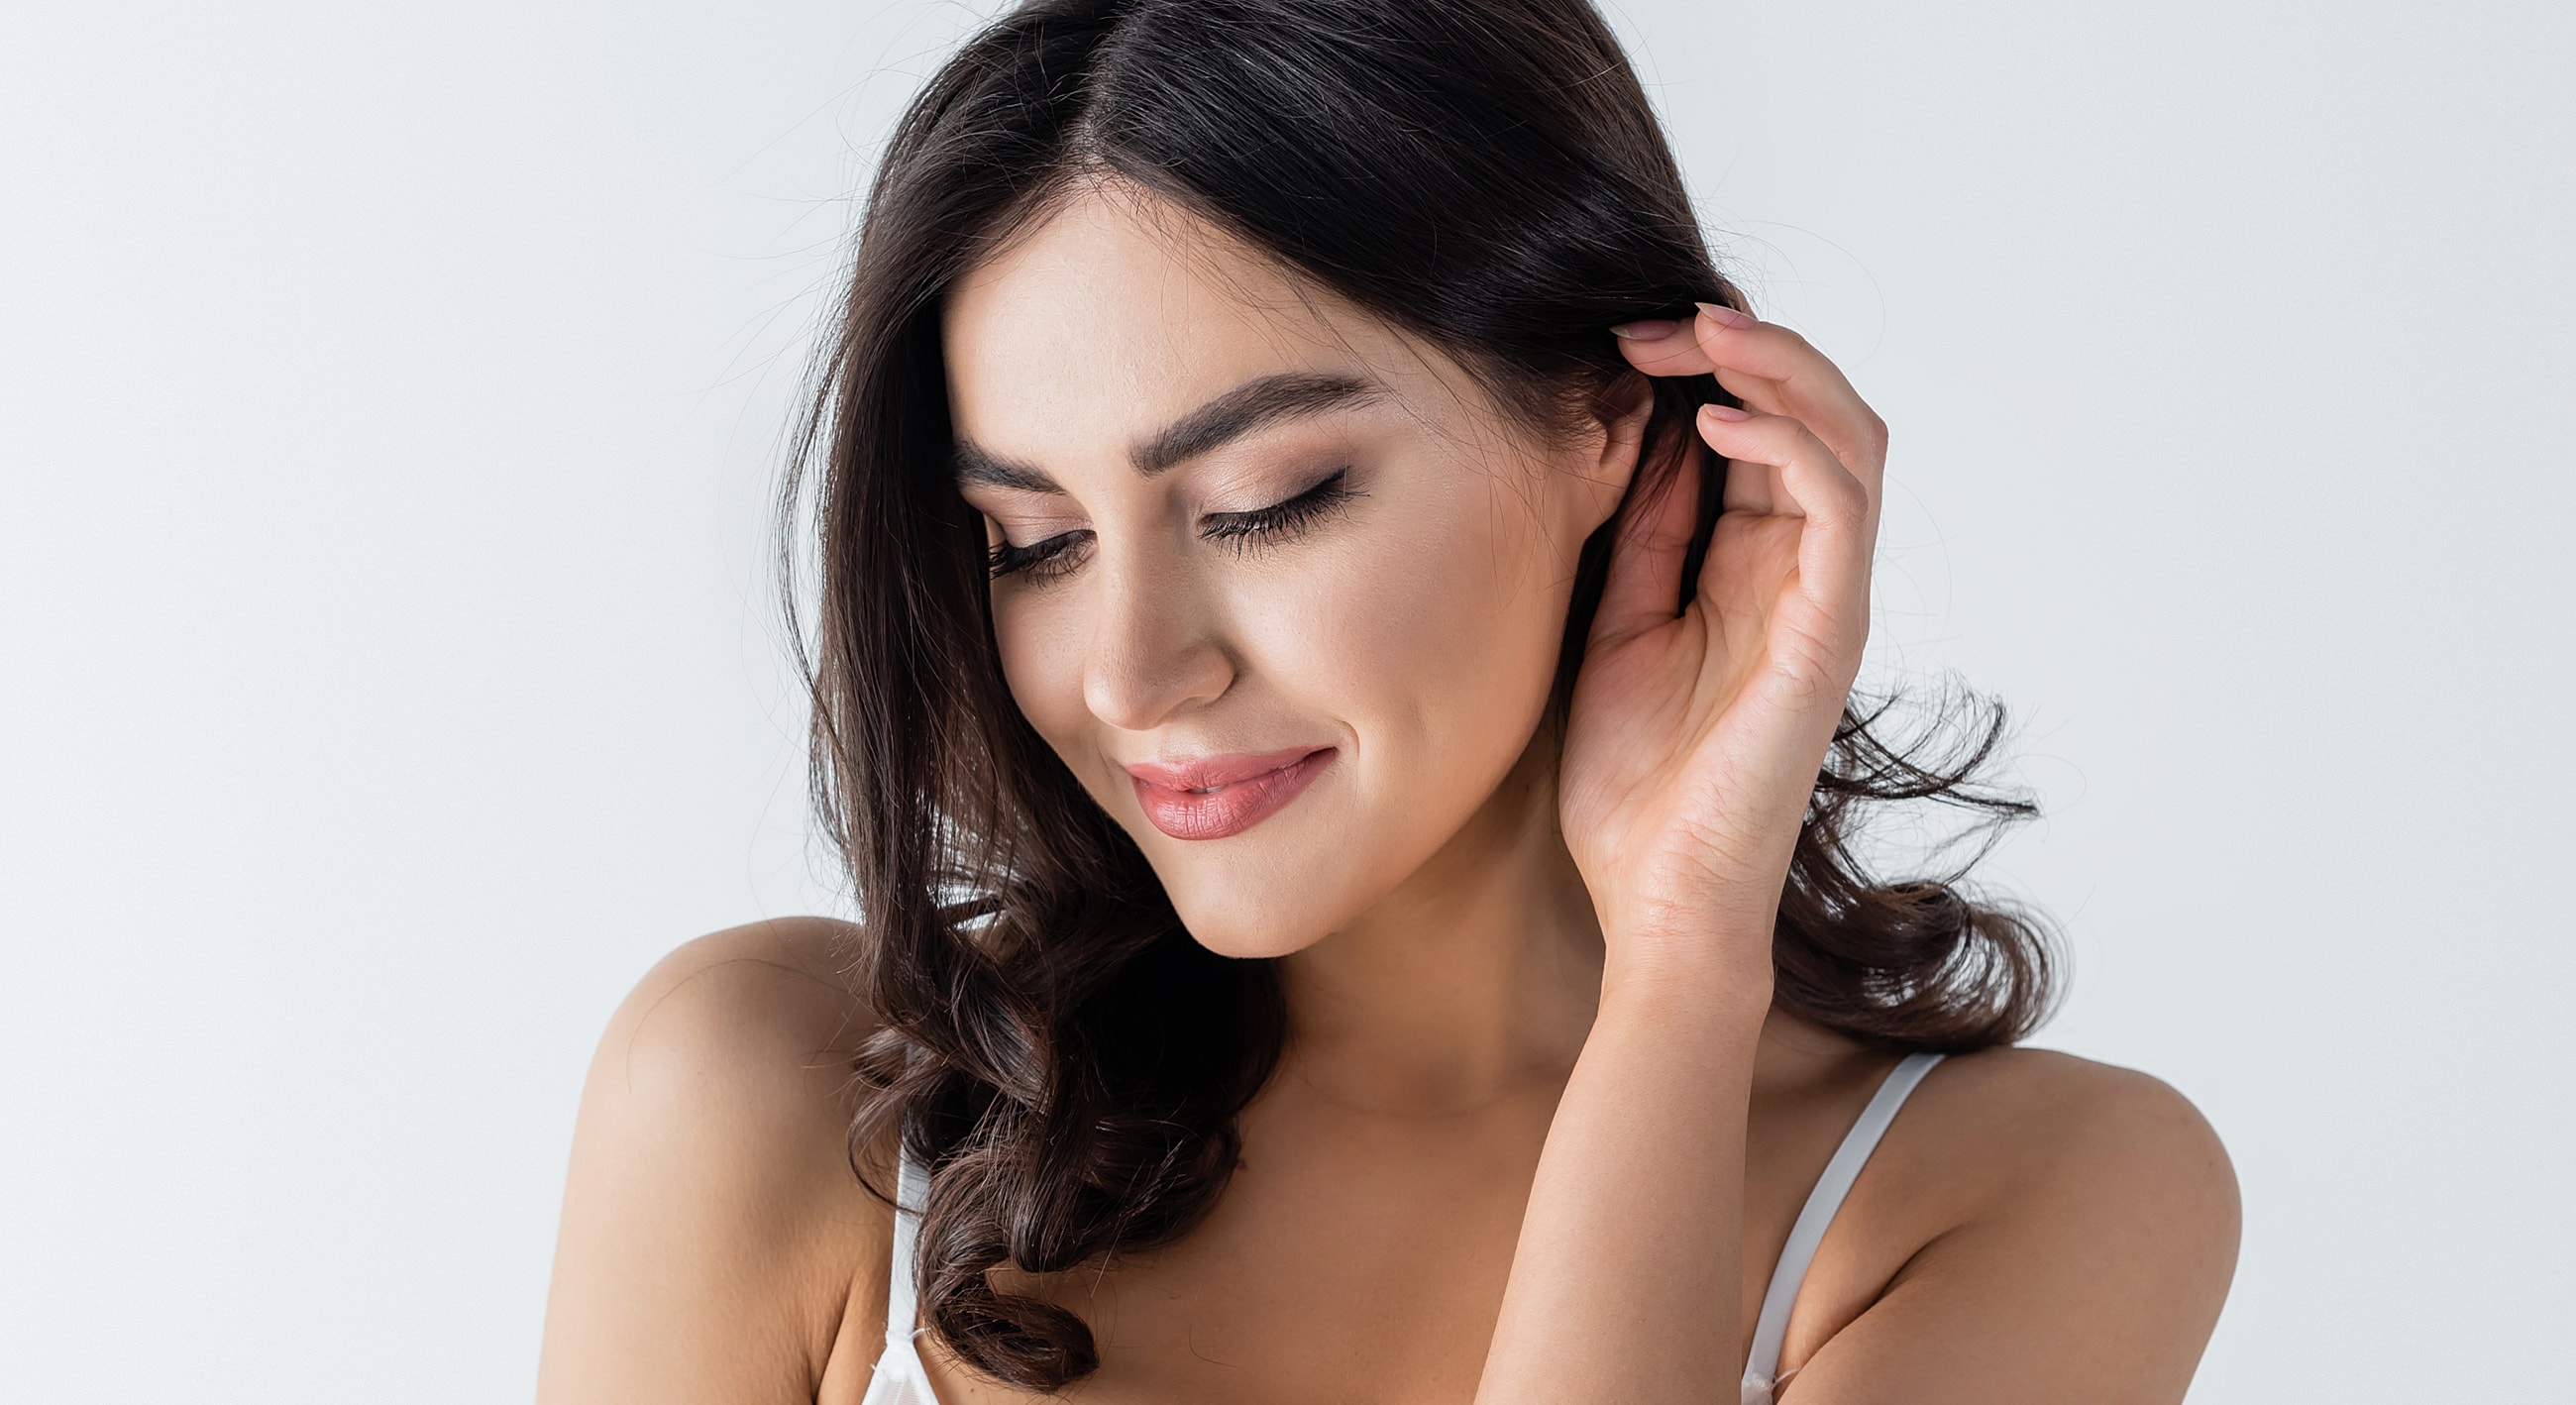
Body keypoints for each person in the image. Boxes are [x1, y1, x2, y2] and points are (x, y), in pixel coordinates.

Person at [537, 1, 2240, 1400]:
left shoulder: (2030, 1198)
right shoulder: (784, 1101)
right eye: (1033, 540)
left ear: (1610, 420)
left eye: (1267, 501)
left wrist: (1681, 959)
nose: (1131, 672)